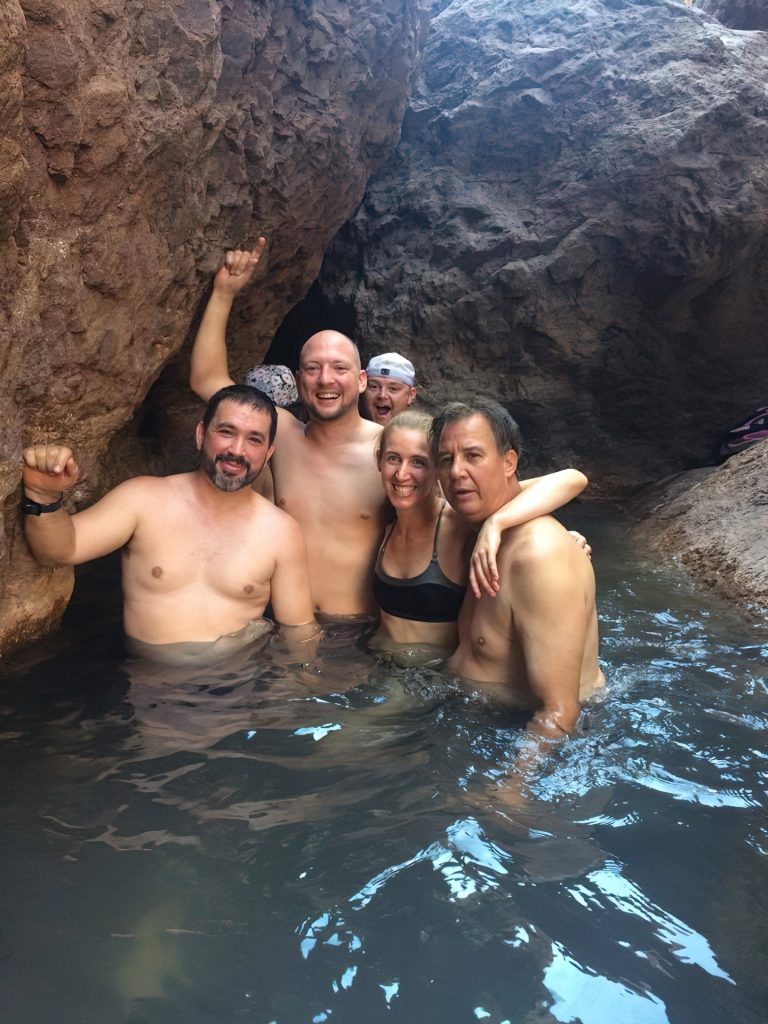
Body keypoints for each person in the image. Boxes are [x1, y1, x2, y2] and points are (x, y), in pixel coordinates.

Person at [21, 385, 318, 665]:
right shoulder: (143, 500)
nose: (237, 450)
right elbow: (60, 550)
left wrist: (290, 692)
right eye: (226, 432)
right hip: (152, 686)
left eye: (254, 439)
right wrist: (43, 495)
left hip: (235, 686)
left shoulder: (281, 532)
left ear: (268, 453)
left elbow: (299, 631)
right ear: (201, 434)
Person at [190, 242, 386, 617]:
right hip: (282, 629)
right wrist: (224, 293)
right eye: (312, 368)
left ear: (361, 380)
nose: (325, 379)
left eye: (339, 368)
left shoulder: (388, 451)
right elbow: (206, 379)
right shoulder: (281, 433)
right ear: (298, 380)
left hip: (358, 631)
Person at [431, 399, 604, 738]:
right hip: (473, 716)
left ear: (509, 462)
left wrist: (512, 778)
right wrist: (495, 523)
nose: (456, 472)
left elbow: (560, 713)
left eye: (473, 456)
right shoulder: (480, 524)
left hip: (519, 735)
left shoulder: (538, 555)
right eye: (446, 460)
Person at [372, 411, 589, 666]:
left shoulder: (461, 522)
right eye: (393, 458)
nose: (402, 474)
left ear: (436, 470)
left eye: (418, 462)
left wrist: (498, 523)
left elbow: (572, 479)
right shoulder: (382, 520)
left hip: (433, 677)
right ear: (379, 461)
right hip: (378, 663)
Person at [362, 352, 417, 425]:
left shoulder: (422, 432)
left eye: (393, 389)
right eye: (374, 386)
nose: (382, 395)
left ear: (411, 395)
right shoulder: (349, 431)